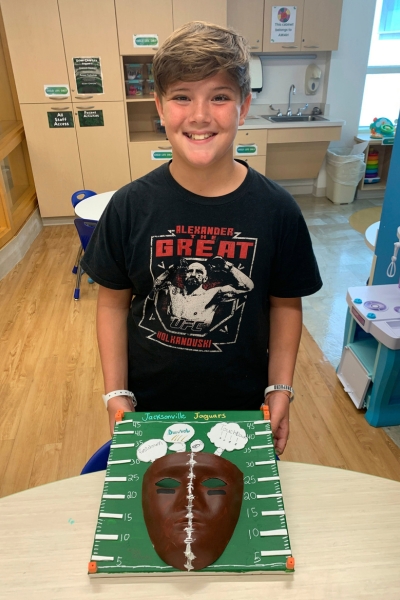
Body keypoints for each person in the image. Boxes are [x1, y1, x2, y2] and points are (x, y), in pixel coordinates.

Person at [81, 21, 322, 455]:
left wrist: (280, 387)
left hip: (243, 409)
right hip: (148, 407)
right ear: (159, 105)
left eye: (220, 97)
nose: (199, 115)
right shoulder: (130, 207)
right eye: (181, 97)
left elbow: (286, 304)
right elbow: (113, 302)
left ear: (244, 107)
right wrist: (116, 394)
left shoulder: (278, 211)